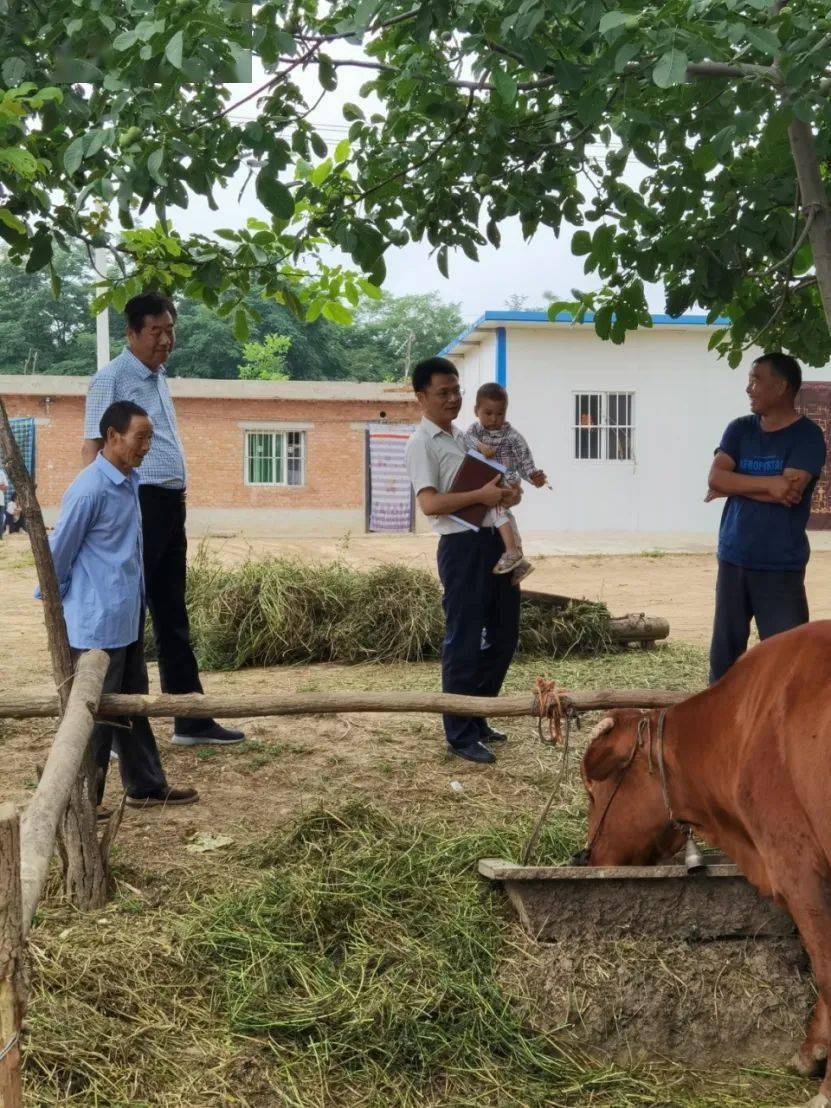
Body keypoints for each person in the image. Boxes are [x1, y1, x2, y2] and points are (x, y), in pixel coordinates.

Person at [82, 292, 245, 748]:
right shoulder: (110, 379)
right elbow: (92, 449)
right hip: (135, 504)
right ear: (131, 333)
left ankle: (190, 717)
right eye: (155, 330)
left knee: (172, 610)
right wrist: (94, 512)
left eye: (170, 329)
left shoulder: (158, 377)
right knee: (128, 612)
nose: (165, 339)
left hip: (170, 503)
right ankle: (119, 731)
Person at [44, 400, 198, 808]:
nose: (147, 445)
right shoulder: (89, 488)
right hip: (96, 625)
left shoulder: (129, 481)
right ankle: (81, 801)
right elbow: (57, 554)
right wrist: (59, 604)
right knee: (92, 716)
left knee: (132, 707)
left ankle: (145, 785)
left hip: (126, 617)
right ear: (112, 437)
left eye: (150, 437)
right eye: (140, 437)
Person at [405, 357, 522, 765]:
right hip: (461, 550)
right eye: (443, 392)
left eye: (457, 391)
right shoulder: (421, 443)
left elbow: (486, 484)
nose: (453, 398)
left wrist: (505, 494)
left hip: (493, 542)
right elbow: (430, 504)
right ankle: (458, 733)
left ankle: (479, 714)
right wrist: (480, 497)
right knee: (465, 639)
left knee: (505, 634)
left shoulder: (462, 437)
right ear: (421, 397)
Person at [706, 351, 827, 683]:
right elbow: (716, 479)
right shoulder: (739, 429)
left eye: (756, 379)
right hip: (733, 560)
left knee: (788, 665)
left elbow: (789, 492)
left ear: (782, 386)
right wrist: (769, 484)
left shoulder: (808, 436)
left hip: (780, 568)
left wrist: (737, 484)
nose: (749, 388)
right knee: (724, 663)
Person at [465, 382, 548, 584]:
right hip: (485, 484)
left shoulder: (513, 437)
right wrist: (480, 446)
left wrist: (534, 478)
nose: (494, 419)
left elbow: (525, 463)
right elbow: (465, 440)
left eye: (500, 414)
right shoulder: (474, 432)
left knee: (498, 511)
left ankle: (512, 552)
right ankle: (519, 559)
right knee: (505, 518)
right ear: (476, 411)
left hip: (506, 484)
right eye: (488, 413)